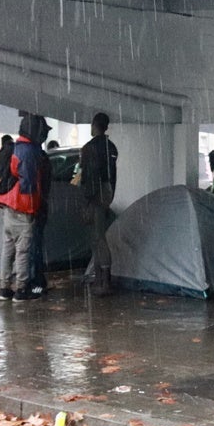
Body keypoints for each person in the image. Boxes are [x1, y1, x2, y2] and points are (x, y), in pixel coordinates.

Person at [0, 114, 46, 302]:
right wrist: (35, 208)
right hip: (23, 207)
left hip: (8, 204)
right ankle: (22, 289)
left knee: (8, 248)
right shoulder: (29, 151)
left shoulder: (15, 147)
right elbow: (29, 184)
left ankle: (4, 288)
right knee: (23, 250)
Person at [80, 112, 119, 296]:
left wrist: (87, 199)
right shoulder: (110, 147)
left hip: (95, 194)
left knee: (97, 237)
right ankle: (101, 278)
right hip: (107, 190)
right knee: (98, 235)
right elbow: (112, 175)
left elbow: (89, 176)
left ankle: (103, 280)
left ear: (95, 125)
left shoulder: (89, 148)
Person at [27, 118, 53, 297]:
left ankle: (33, 281)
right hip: (39, 206)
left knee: (32, 245)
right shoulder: (41, 157)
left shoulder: (32, 155)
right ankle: (37, 281)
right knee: (35, 244)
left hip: (33, 207)